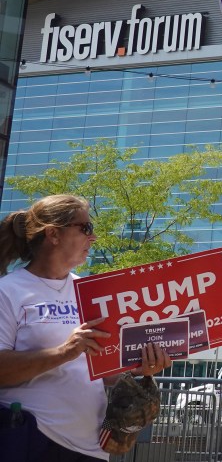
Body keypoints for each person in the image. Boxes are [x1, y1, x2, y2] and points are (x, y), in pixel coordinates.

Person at [0, 194, 171, 461]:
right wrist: (65, 352)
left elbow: (101, 372)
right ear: (54, 234)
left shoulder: (90, 292)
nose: (93, 238)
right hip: (31, 440)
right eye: (86, 228)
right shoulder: (8, 291)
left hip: (91, 447)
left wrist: (138, 369)